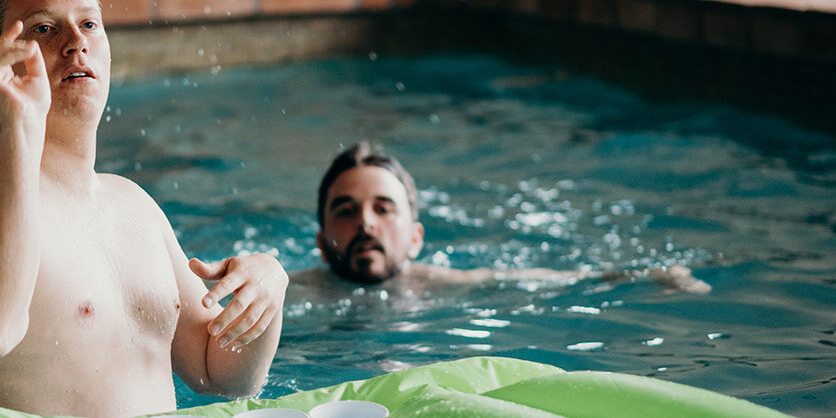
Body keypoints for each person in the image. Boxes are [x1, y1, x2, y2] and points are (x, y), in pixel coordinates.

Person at [0, 0, 288, 418]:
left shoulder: (132, 205)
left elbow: (221, 375)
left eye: (90, 23)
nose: (77, 42)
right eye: (45, 28)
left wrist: (268, 291)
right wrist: (20, 126)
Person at [290, 142, 710, 294]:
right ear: (321, 245)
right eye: (345, 212)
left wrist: (648, 275)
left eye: (384, 208)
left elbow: (550, 280)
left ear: (417, 238)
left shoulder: (443, 286)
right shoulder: (292, 295)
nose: (365, 223)